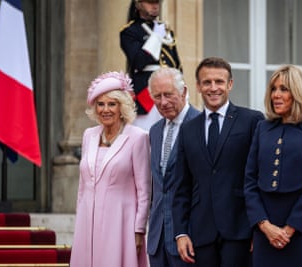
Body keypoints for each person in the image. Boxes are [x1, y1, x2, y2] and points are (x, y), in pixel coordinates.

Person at [172, 57, 264, 266]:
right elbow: (181, 186)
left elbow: (260, 177)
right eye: (207, 82)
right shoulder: (188, 129)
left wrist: (259, 227)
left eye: (219, 82)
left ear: (230, 84)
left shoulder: (252, 121)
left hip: (241, 231)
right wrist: (180, 232)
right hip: (200, 234)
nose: (213, 88)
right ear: (198, 86)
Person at [244, 65, 302, 267]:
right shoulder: (263, 128)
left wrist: (289, 229)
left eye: (284, 89)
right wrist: (265, 226)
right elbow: (249, 180)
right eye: (273, 89)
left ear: (300, 92)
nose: (276, 95)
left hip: (300, 228)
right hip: (265, 228)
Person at [70, 71, 151, 267]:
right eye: (101, 104)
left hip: (121, 223)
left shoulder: (137, 137)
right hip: (87, 221)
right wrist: (80, 217)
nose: (105, 110)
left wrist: (139, 230)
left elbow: (144, 190)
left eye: (112, 104)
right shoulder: (89, 135)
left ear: (122, 106)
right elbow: (83, 186)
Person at [147, 67, 200, 267]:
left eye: (168, 94)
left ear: (184, 92)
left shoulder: (201, 125)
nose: (163, 102)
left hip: (189, 237)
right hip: (157, 238)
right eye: (157, 96)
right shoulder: (154, 131)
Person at [120, 0, 182, 131]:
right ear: (138, 4)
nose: (155, 6)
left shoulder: (166, 30)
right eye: (150, 2)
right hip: (146, 92)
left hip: (171, 88)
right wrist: (156, 37)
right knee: (146, 135)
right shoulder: (130, 31)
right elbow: (139, 62)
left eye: (157, 3)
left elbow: (176, 64)